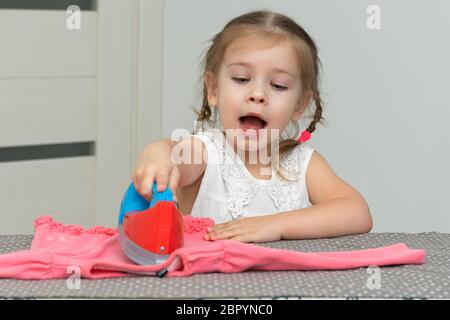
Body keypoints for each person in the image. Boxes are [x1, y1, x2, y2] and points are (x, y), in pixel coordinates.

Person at [132, 10, 373, 243]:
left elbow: (357, 212)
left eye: (278, 85)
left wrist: (275, 225)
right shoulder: (206, 152)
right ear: (214, 89)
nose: (257, 94)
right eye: (241, 79)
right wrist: (158, 155)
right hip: (208, 283)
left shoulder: (304, 164)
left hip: (285, 285)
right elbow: (174, 155)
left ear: (299, 105)